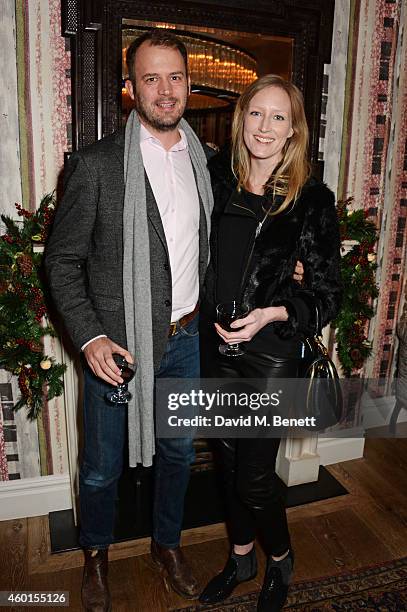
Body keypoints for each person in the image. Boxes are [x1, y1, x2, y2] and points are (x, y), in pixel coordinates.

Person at [45, 30, 214, 611]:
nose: (165, 91)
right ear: (130, 89)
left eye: (175, 78)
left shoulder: (208, 165)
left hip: (186, 339)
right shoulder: (94, 167)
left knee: (177, 453)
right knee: (100, 467)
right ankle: (95, 556)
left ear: (189, 84)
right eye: (151, 78)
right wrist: (90, 337)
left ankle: (167, 545)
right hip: (116, 349)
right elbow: (61, 260)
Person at [199, 74, 342, 611]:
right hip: (214, 346)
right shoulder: (214, 178)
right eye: (257, 113)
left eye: (278, 117)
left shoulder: (311, 200)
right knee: (227, 465)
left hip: (273, 353)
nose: (265, 126)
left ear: (292, 132)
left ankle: (279, 560)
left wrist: (274, 312)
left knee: (255, 476)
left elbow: (328, 295)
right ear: (242, 120)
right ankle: (240, 558)